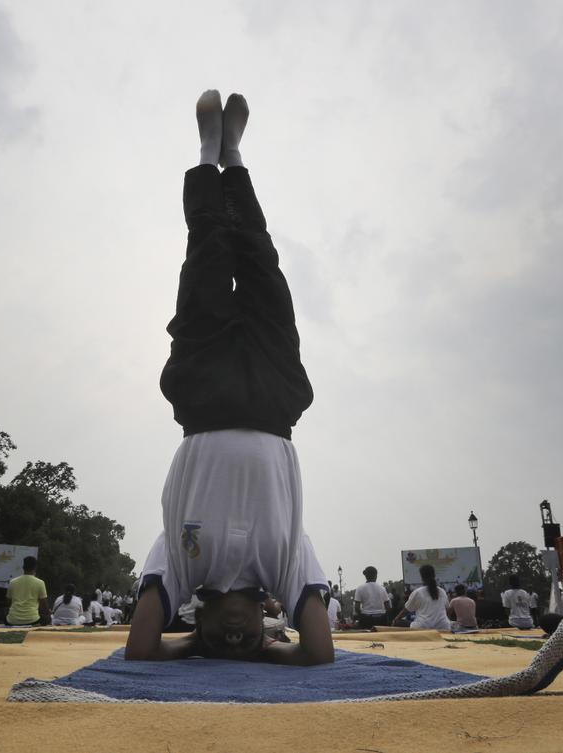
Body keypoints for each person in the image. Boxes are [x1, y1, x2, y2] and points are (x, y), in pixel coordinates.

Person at [124, 91, 332, 666]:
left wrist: (194, 643)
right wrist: (267, 649)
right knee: (262, 263)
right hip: (274, 402)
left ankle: (206, 155)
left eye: (223, 640)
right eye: (247, 640)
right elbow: (319, 653)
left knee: (208, 257)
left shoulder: (182, 563)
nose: (234, 637)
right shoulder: (285, 568)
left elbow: (140, 649)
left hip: (204, 398)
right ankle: (235, 158)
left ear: (194, 617)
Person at [394, 564, 451, 631]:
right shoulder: (442, 592)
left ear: (422, 577)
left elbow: (406, 610)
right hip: (444, 627)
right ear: (434, 575)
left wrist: (395, 619)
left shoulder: (418, 592)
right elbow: (447, 608)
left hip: (422, 627)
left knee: (397, 622)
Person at [5, 556, 49, 626]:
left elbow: (8, 602)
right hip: (32, 620)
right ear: (35, 568)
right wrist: (48, 614)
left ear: (23, 567)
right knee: (47, 618)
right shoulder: (40, 583)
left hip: (12, 620)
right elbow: (43, 605)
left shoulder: (12, 582)